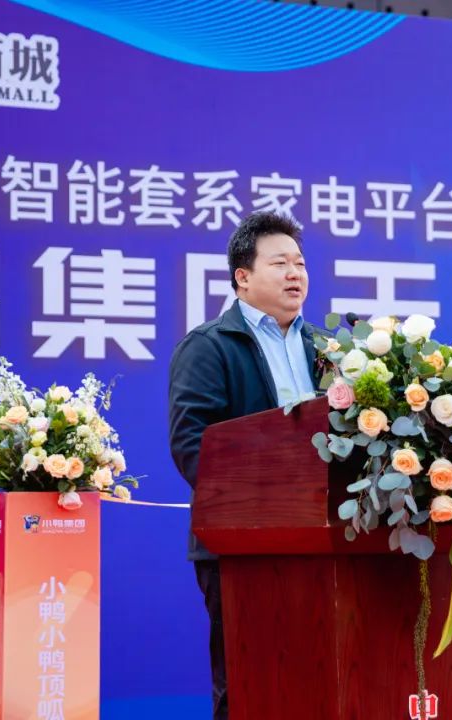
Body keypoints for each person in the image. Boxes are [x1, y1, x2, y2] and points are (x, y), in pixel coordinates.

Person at [168, 211, 322, 719]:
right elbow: (192, 444)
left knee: (319, 680)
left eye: (300, 263)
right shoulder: (209, 346)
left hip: (326, 544)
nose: (295, 273)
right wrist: (265, 505)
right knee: (247, 684)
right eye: (279, 263)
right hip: (241, 548)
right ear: (243, 276)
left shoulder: (327, 348)